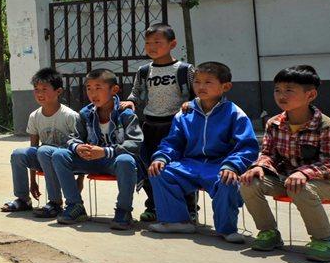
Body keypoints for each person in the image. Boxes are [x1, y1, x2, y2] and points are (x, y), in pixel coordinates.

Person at [236, 65, 330, 262]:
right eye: (277, 90)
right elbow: (267, 153)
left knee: (301, 188)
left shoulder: (326, 125)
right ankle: (269, 233)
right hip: (286, 178)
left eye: (289, 90)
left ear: (310, 95)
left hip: (327, 181)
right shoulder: (274, 123)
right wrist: (258, 167)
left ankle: (323, 240)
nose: (281, 95)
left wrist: (305, 173)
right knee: (248, 183)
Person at [146, 62, 257, 243]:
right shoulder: (185, 112)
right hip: (189, 164)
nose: (201, 87)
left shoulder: (235, 113)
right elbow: (173, 142)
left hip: (219, 165)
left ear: (225, 86)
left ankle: (227, 228)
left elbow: (247, 146)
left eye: (208, 82)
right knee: (159, 171)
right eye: (197, 82)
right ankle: (178, 221)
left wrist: (232, 166)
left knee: (227, 180)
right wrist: (161, 157)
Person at [38, 69, 144, 230]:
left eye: (98, 88)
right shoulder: (86, 113)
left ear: (114, 90)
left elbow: (135, 143)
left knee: (126, 160)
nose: (93, 93)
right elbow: (73, 137)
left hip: (113, 161)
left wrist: (105, 152)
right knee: (60, 154)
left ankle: (123, 211)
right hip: (90, 159)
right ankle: (75, 205)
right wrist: (78, 146)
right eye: (89, 88)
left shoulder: (126, 114)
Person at [121, 23, 198, 223]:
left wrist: (192, 102)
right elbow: (135, 94)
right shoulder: (144, 70)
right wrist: (130, 101)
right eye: (147, 43)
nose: (151, 46)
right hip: (150, 125)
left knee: (179, 167)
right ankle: (154, 205)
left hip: (177, 127)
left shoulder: (185, 69)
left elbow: (199, 95)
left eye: (157, 42)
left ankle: (189, 208)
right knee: (149, 166)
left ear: (172, 44)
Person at [0, 67, 80, 219]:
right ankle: (23, 199)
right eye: (36, 89)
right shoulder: (34, 117)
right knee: (18, 154)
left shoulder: (70, 116)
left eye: (44, 89)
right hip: (43, 157)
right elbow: (33, 148)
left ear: (58, 92)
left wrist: (80, 180)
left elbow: (81, 146)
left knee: (44, 151)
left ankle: (55, 203)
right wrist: (32, 181)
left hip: (64, 159)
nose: (39, 93)